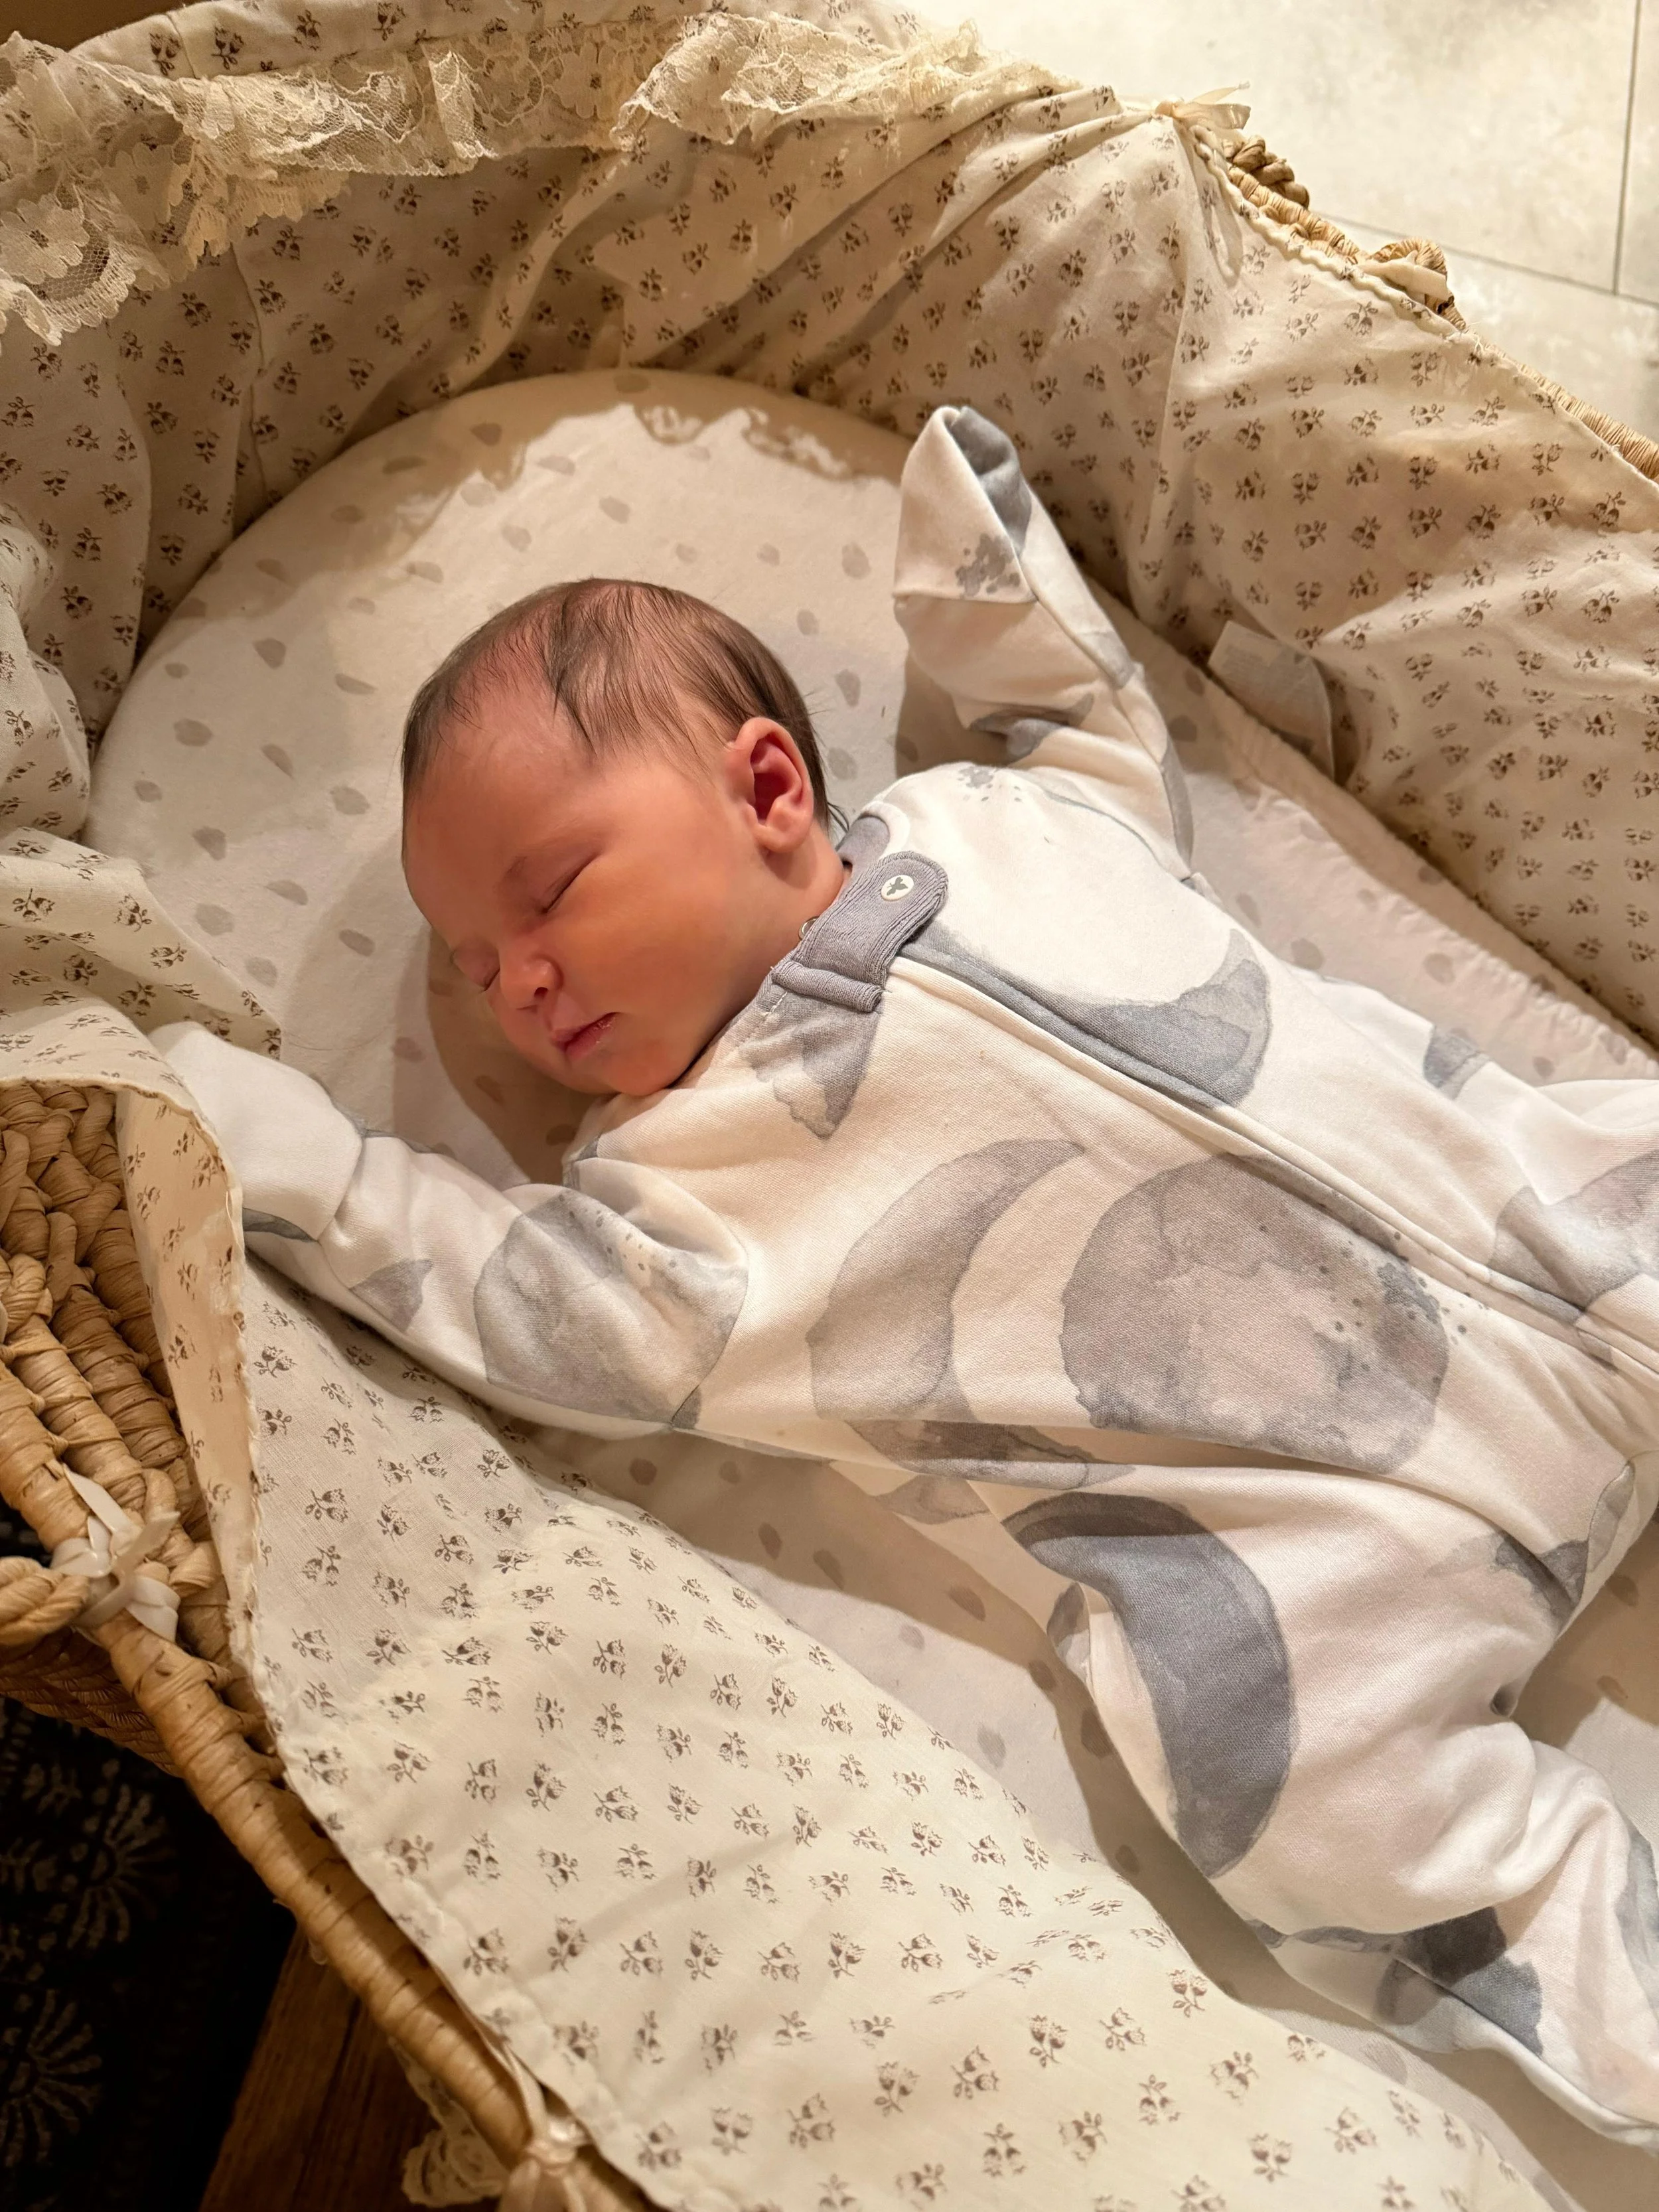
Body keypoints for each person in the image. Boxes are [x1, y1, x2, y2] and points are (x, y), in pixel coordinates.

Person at [159, 406, 1659, 2148]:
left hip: (1558, 1237)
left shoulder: (989, 826)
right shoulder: (677, 1208)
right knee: (1290, 1786)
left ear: (768, 791)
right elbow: (489, 1286)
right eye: (479, 965)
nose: (519, 985)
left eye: (548, 893)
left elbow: (1092, 742)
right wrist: (274, 1146)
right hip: (1327, 1561)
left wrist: (985, 585)